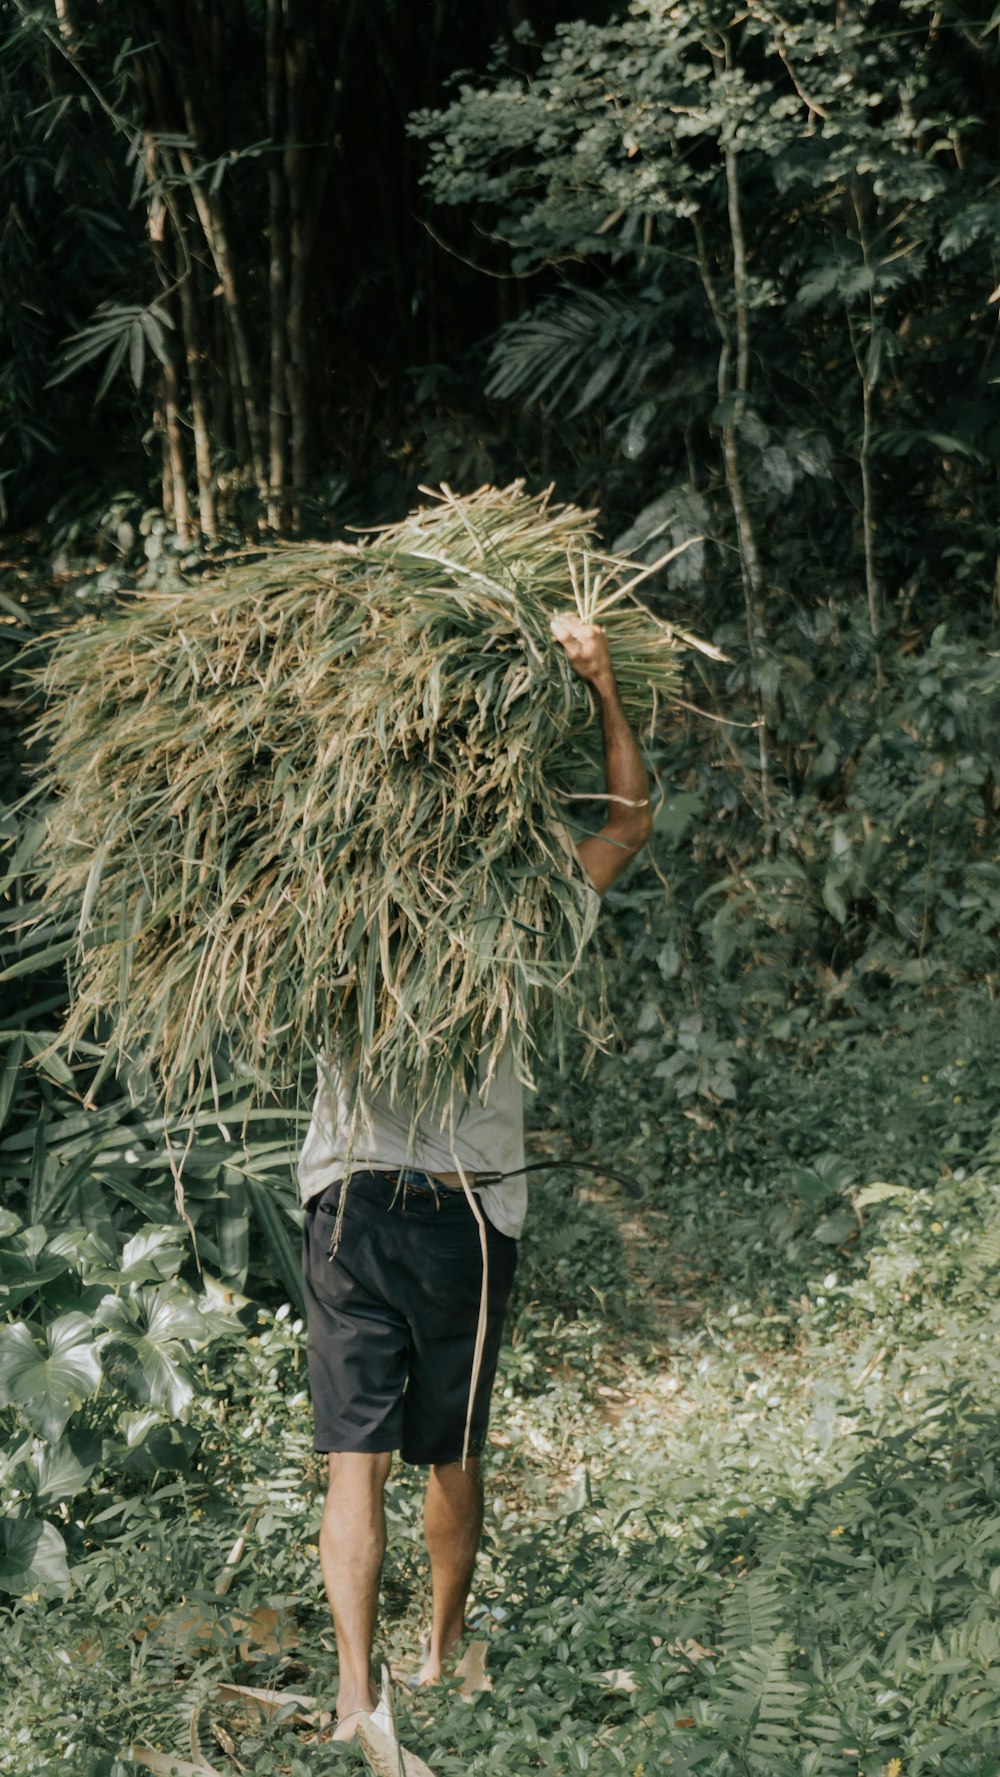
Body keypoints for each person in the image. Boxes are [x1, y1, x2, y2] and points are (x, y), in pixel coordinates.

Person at [297, 611, 653, 1740]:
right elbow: (631, 820)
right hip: (466, 1208)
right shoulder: (529, 901)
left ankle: (358, 1696)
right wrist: (597, 684)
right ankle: (444, 1656)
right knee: (448, 1447)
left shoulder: (328, 895)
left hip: (349, 1198)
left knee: (355, 1463)